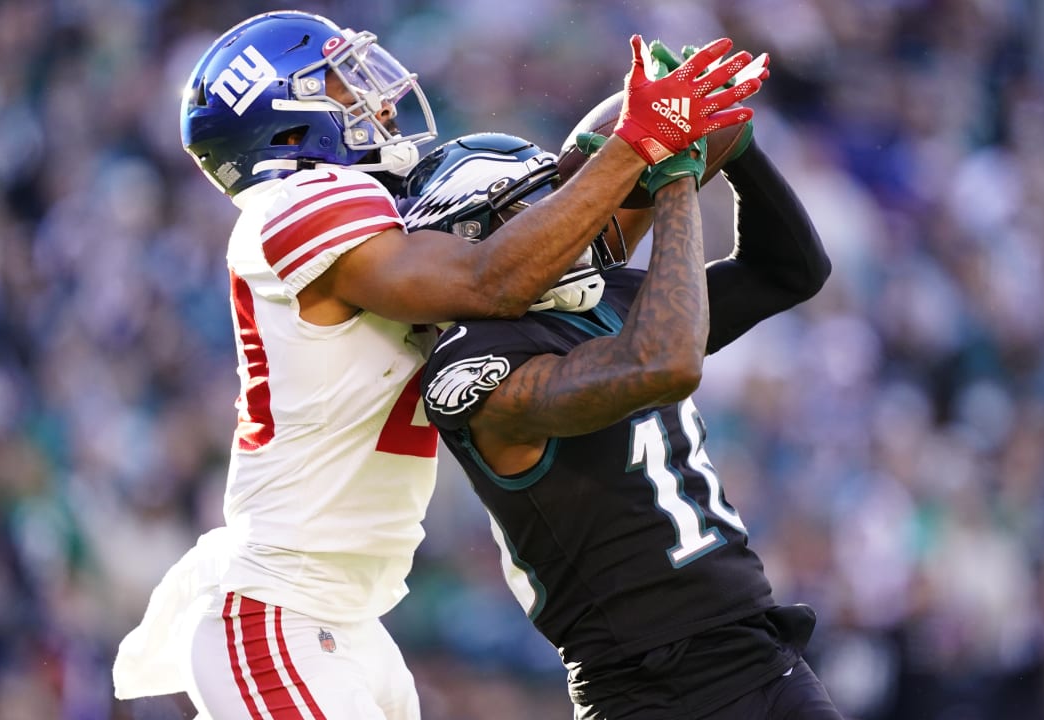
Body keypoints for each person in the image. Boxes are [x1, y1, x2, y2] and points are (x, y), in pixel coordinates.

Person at [111, 10, 767, 720]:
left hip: (345, 622)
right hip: (281, 611)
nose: (378, 98)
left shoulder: (368, 211)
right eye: (340, 81)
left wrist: (655, 124)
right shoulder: (296, 202)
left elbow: (570, 239)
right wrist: (640, 141)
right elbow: (494, 280)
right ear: (289, 127)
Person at [406, 107, 838, 719]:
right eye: (538, 204)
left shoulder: (608, 297)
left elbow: (791, 271)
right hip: (650, 687)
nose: (571, 212)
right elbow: (662, 365)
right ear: (474, 238)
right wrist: (675, 177)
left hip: (758, 647)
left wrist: (735, 139)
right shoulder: (473, 362)